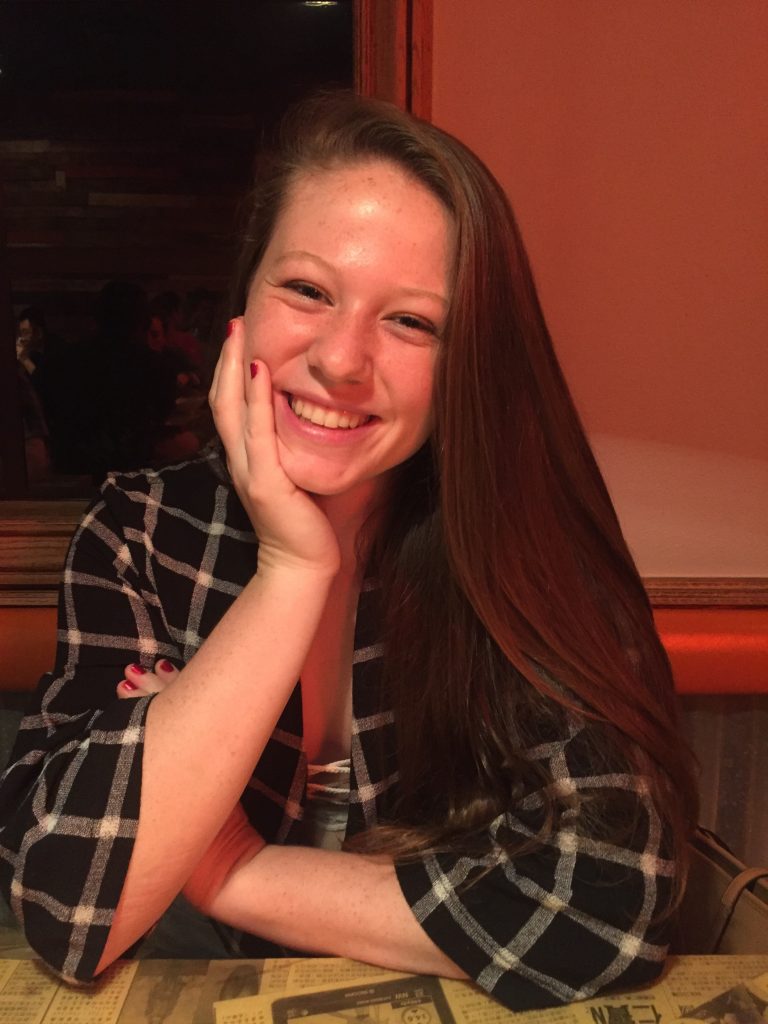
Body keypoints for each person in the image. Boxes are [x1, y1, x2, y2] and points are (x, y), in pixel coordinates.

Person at [0, 94, 697, 1010]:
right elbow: (68, 901)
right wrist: (294, 570)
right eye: (308, 290)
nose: (342, 359)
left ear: (467, 363)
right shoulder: (140, 531)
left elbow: (610, 905)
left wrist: (229, 864)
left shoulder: (530, 548)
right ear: (241, 303)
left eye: (412, 322)